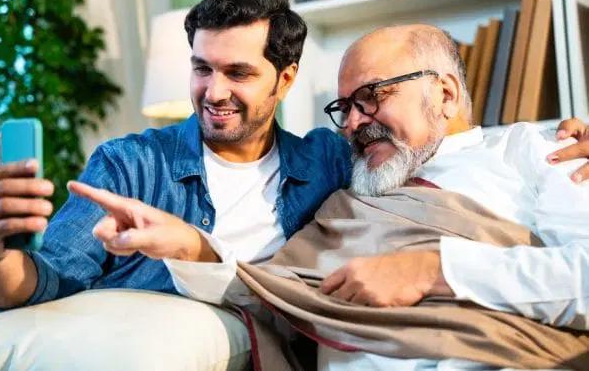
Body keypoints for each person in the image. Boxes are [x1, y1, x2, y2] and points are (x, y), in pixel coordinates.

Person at [0, 0, 588, 320]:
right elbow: (42, 283)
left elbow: (436, 145)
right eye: (201, 69)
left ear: (285, 79)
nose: (213, 92)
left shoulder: (332, 162)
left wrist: (553, 139)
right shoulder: (132, 165)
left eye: (238, 72)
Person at [137, 23, 587, 370]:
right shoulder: (345, 196)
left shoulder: (538, 151)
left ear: (445, 94)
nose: (353, 122)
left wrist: (436, 271)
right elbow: (279, 295)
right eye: (344, 107)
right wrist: (190, 248)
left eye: (371, 97)